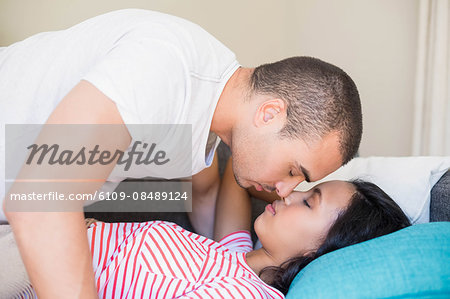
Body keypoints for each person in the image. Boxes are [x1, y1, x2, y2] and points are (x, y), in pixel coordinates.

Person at [0, 9, 362, 297]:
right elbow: (40, 201)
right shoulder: (162, 71)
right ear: (270, 114)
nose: (285, 189)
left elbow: (205, 197)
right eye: (293, 170)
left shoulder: (207, 119)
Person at [78, 160, 410, 298]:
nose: (289, 194)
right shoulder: (237, 256)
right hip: (55, 241)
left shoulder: (246, 293)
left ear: (322, 253)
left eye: (309, 202)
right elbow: (237, 179)